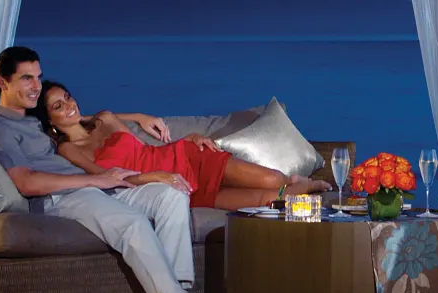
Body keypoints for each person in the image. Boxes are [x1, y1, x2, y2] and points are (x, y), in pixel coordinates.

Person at [0, 46, 223, 293]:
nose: (36, 87)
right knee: (132, 223)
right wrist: (95, 179)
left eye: (38, 77)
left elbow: (74, 116)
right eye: (26, 78)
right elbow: (25, 181)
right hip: (60, 196)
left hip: (93, 188)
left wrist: (137, 118)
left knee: (170, 195)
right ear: (2, 82)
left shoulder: (32, 119)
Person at [33, 81, 329, 210]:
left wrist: (147, 120)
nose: (69, 105)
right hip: (172, 185)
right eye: (58, 106)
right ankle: (304, 188)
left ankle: (297, 182)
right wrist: (154, 178)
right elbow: (103, 176)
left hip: (184, 158)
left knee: (272, 179)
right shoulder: (68, 150)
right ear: (50, 121)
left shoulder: (104, 119)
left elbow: (109, 122)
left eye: (68, 97)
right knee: (268, 202)